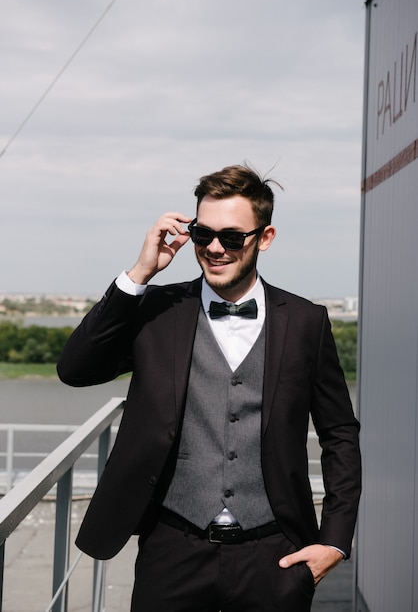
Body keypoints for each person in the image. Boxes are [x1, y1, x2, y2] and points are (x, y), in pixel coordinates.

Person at [57, 164, 361, 612]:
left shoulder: (305, 322)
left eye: (233, 237)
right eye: (203, 234)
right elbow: (75, 368)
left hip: (275, 554)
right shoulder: (158, 309)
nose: (215, 248)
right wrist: (140, 273)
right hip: (172, 549)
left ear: (266, 237)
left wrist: (334, 542)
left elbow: (339, 433)